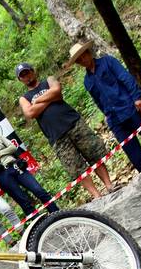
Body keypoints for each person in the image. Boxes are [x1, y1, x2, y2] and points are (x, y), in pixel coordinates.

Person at [69, 41, 141, 174]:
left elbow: (125, 77)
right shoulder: (87, 81)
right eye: (79, 60)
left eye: (83, 56)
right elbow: (98, 101)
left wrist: (136, 97)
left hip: (131, 108)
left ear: (88, 53)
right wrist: (107, 115)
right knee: (134, 153)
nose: (83, 60)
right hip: (115, 120)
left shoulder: (108, 62)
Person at [16, 62, 115, 199]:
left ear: (33, 71)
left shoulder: (48, 80)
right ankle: (97, 196)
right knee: (75, 167)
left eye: (27, 72)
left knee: (94, 153)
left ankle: (109, 185)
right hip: (56, 136)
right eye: (22, 75)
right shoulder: (24, 98)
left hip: (73, 123)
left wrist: (37, 101)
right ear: (20, 80)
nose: (26, 76)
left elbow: (57, 90)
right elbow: (30, 113)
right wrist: (51, 98)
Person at [0, 119, 59, 216]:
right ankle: (40, 223)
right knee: (24, 201)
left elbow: (13, 147)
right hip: (2, 174)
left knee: (38, 190)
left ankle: (56, 213)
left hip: (15, 166)